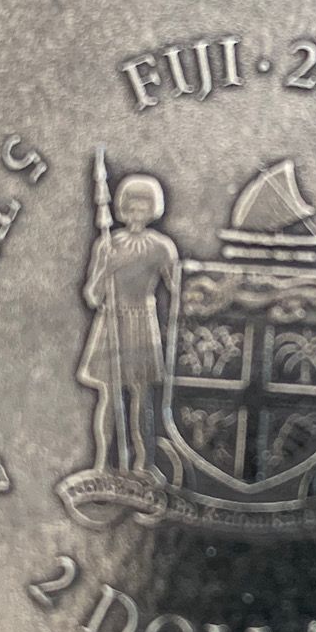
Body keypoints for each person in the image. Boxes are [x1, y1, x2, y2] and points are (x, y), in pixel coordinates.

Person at [77, 174, 178, 474]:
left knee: (141, 397)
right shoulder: (108, 245)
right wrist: (105, 270)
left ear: (152, 209)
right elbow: (92, 297)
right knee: (109, 398)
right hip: (111, 322)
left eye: (143, 207)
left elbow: (178, 291)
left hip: (142, 323)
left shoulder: (162, 247)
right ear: (123, 207)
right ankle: (102, 463)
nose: (136, 213)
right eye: (132, 207)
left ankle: (142, 465)